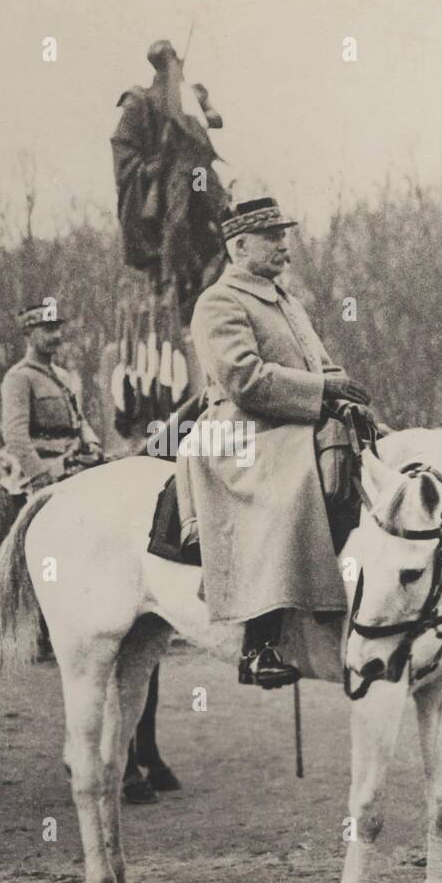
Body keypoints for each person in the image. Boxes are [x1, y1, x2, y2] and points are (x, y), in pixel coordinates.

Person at [179, 195, 370, 690]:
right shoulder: (219, 302)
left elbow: (318, 364)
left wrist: (341, 393)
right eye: (273, 237)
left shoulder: (286, 300)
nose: (285, 245)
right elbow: (244, 379)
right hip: (241, 429)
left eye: (284, 235)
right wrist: (321, 391)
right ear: (239, 247)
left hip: (291, 418)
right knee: (290, 484)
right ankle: (258, 645)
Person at [0, 303, 104, 490]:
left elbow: (79, 419)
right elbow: (15, 436)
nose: (56, 336)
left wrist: (92, 442)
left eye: (57, 329)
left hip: (75, 463)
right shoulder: (19, 377)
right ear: (28, 335)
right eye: (48, 330)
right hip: (44, 471)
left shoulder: (63, 376)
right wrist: (40, 475)